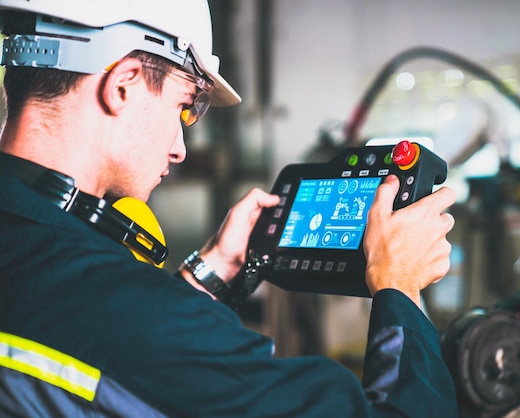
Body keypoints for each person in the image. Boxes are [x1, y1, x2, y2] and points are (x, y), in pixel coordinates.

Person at [0, 1, 459, 417]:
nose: (179, 149)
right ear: (123, 84)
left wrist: (208, 274)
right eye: (184, 107)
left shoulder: (42, 265)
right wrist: (399, 287)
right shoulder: (129, 314)